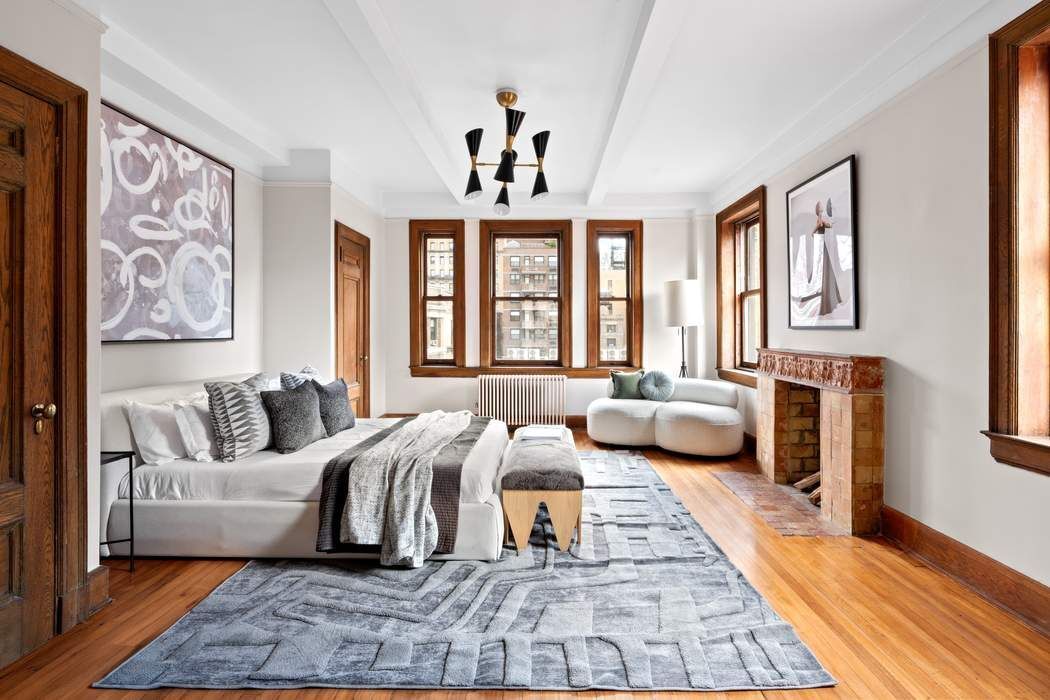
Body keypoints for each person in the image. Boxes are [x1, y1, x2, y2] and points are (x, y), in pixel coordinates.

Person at [811, 198, 842, 315]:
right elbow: (813, 232)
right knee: (824, 270)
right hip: (821, 247)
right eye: (820, 206)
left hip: (821, 246)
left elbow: (828, 226)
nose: (822, 207)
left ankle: (828, 298)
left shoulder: (821, 220)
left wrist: (831, 223)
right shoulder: (819, 220)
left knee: (826, 270)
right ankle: (825, 301)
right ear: (818, 209)